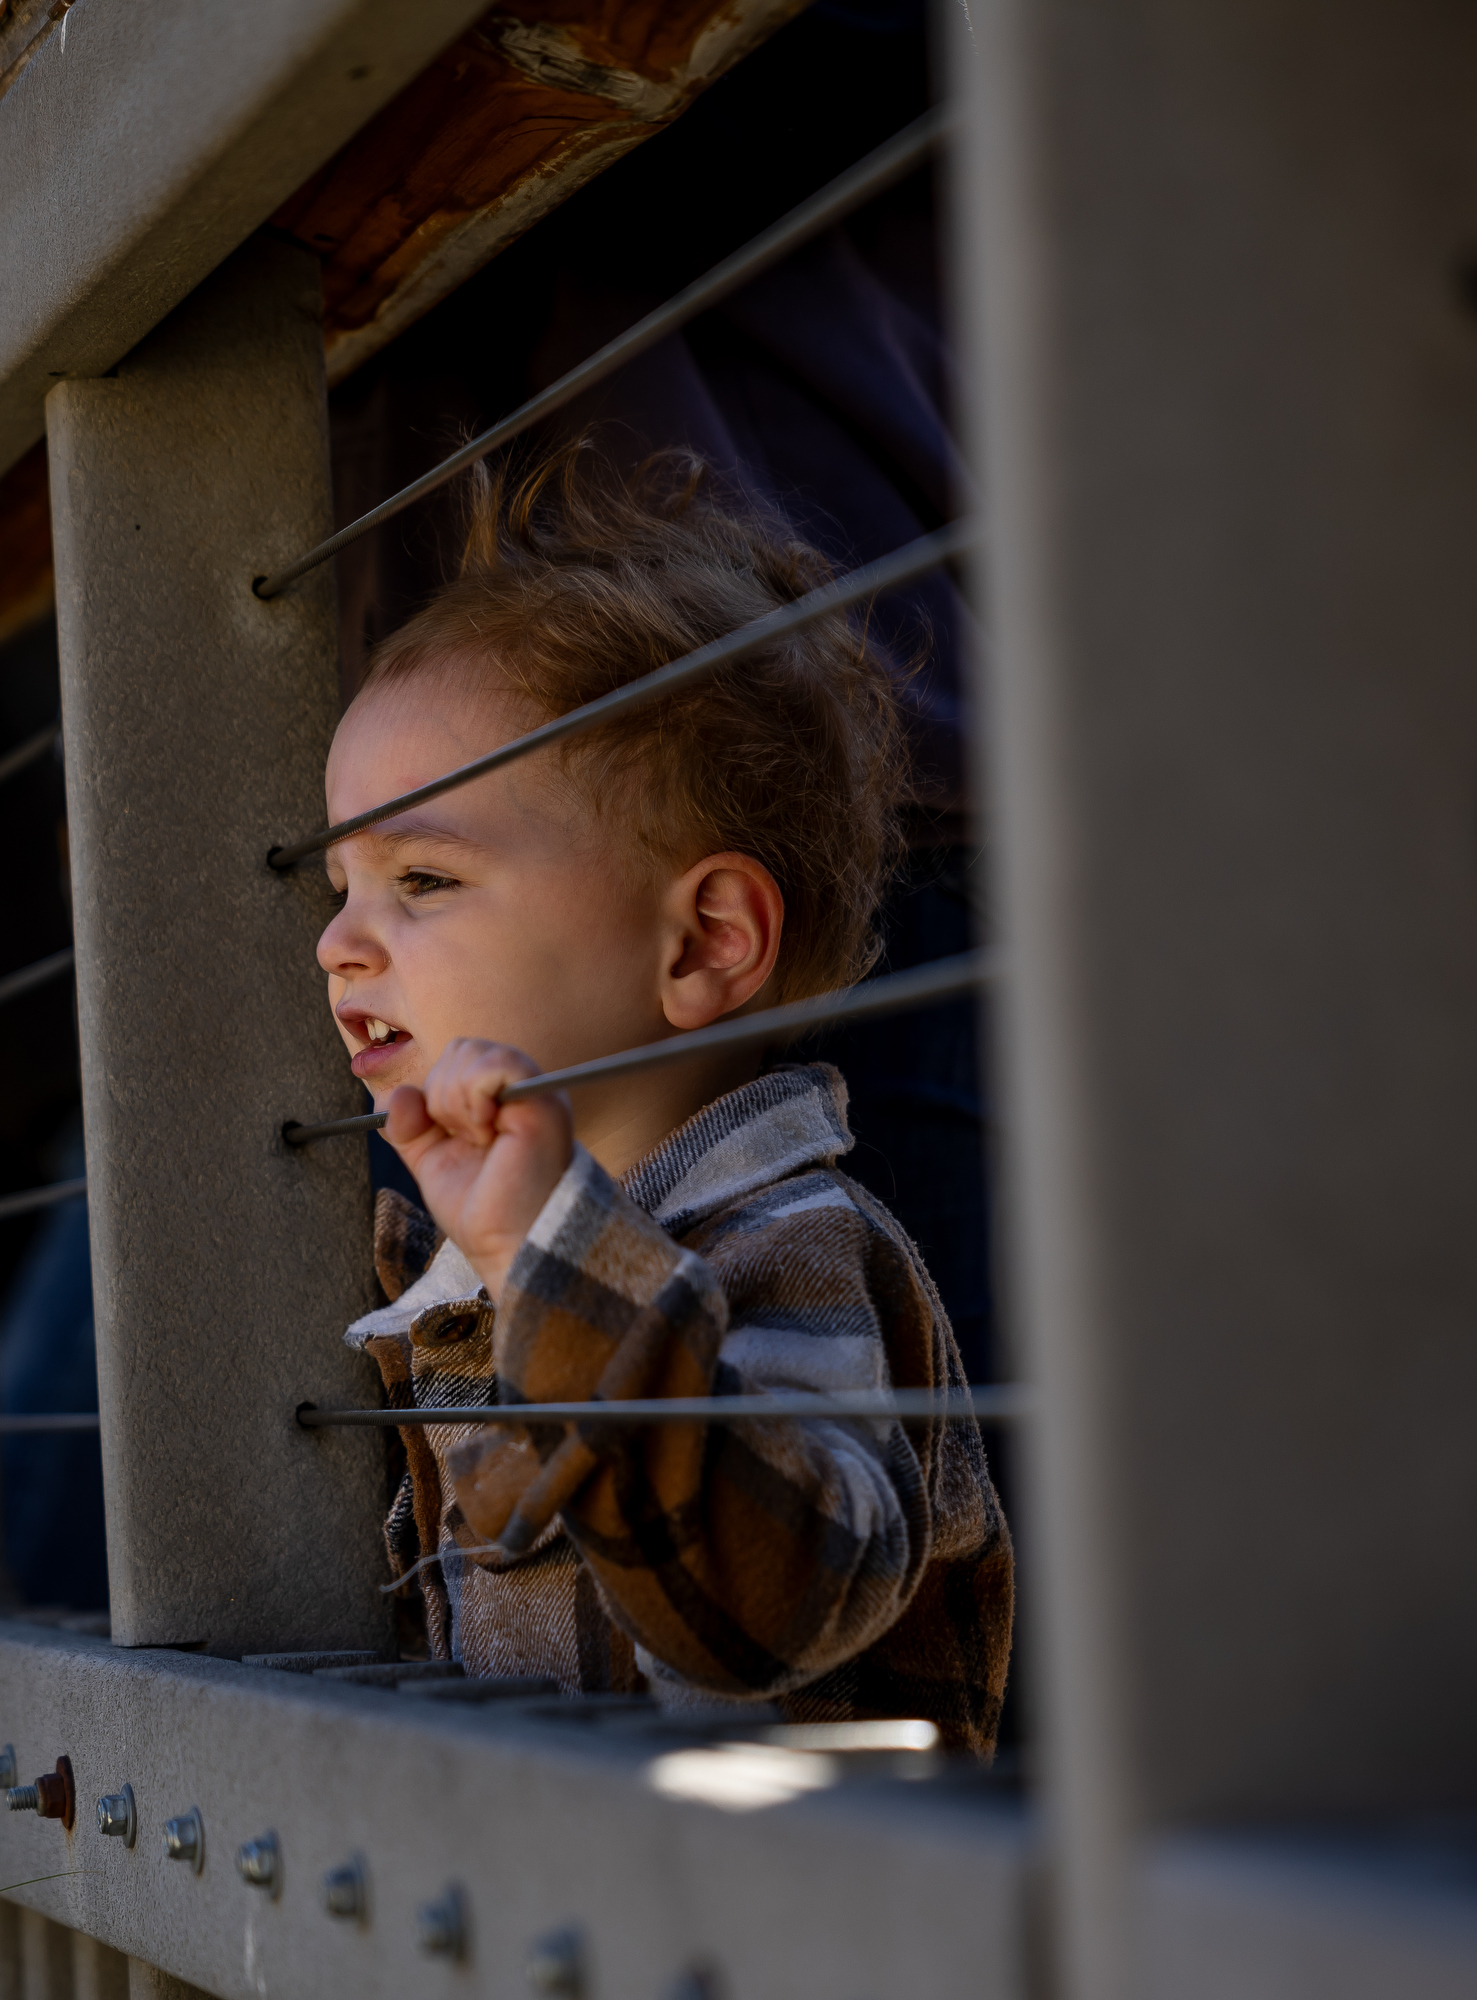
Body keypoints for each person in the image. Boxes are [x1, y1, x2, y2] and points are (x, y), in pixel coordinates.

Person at [320, 450, 1011, 1750]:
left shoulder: (797, 1248)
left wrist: (547, 1263)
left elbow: (765, 1614)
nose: (338, 946)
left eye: (422, 879)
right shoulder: (446, 1255)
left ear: (700, 944)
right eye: (340, 885)